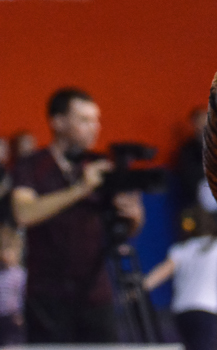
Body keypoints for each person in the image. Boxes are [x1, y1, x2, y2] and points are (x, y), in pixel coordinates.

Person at [11, 87, 144, 343]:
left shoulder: (101, 167)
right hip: (47, 298)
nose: (95, 127)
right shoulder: (32, 166)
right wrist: (81, 189)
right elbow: (24, 213)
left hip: (96, 295)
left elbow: (125, 230)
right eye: (84, 120)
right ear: (58, 122)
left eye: (96, 120)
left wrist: (134, 217)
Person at [143, 206, 217, 350]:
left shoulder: (181, 249)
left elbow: (159, 274)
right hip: (207, 308)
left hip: (182, 310)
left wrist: (139, 288)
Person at [174, 106, 208, 212]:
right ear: (194, 125)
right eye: (200, 123)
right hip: (198, 202)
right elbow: (189, 176)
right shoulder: (188, 150)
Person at [0, 226, 25, 345]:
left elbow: (21, 295)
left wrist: (20, 313)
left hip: (11, 318)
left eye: (8, 248)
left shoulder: (19, 275)